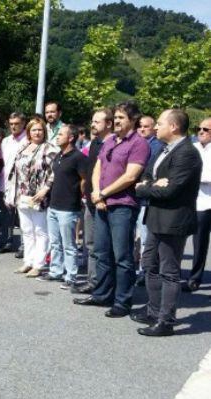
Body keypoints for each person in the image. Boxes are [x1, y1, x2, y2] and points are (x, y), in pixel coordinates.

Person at [74, 101, 149, 318]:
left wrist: (104, 193)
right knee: (101, 252)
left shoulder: (138, 143)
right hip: (102, 203)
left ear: (133, 120)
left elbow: (131, 176)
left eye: (121, 118)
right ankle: (102, 294)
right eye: (115, 117)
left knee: (122, 256)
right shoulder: (110, 141)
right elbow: (98, 166)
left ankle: (122, 301)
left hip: (122, 206)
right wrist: (97, 192)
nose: (116, 121)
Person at [133, 109, 201, 336]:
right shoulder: (163, 149)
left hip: (173, 221)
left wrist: (146, 188)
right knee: (149, 264)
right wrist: (151, 184)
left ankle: (166, 321)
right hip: (155, 217)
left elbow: (170, 190)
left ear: (173, 127)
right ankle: (153, 310)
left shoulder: (187, 154)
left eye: (159, 123)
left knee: (169, 271)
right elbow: (146, 175)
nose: (155, 127)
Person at [6, 117, 57, 278]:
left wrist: (45, 189)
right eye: (34, 129)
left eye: (40, 129)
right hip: (22, 195)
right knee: (26, 230)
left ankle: (39, 264)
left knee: (40, 231)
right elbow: (15, 171)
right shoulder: (23, 147)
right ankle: (28, 261)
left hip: (39, 195)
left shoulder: (49, 149)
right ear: (28, 132)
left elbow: (54, 172)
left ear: (44, 132)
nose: (37, 132)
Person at [40, 125, 87, 289]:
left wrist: (78, 195)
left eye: (61, 134)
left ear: (71, 137)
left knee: (69, 244)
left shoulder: (78, 157)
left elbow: (84, 179)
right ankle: (56, 271)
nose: (57, 137)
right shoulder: (59, 155)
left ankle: (71, 276)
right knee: (55, 242)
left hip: (68, 207)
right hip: (53, 205)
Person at [79, 108, 114, 293]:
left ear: (109, 124)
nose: (92, 124)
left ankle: (105, 285)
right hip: (91, 199)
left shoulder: (114, 143)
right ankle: (93, 282)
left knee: (104, 247)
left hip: (105, 201)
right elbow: (89, 171)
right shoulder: (94, 143)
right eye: (92, 121)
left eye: (97, 122)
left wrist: (102, 195)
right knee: (91, 244)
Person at [134, 115, 165, 287]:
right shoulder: (136, 143)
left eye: (146, 126)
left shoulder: (157, 146)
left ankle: (145, 272)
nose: (142, 129)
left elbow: (151, 172)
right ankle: (137, 269)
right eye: (140, 126)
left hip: (146, 199)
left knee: (146, 239)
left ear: (153, 128)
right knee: (134, 239)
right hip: (133, 197)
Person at [0, 112, 27, 254]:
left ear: (23, 124)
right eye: (11, 124)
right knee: (6, 215)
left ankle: (24, 246)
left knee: (23, 217)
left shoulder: (28, 140)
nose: (13, 126)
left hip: (21, 185)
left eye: (17, 124)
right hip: (5, 183)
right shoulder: (6, 141)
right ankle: (6, 242)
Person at [188, 117, 211, 292]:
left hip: (208, 200)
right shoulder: (193, 148)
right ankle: (194, 277)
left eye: (206, 129)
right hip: (196, 202)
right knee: (198, 242)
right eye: (199, 128)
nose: (201, 131)